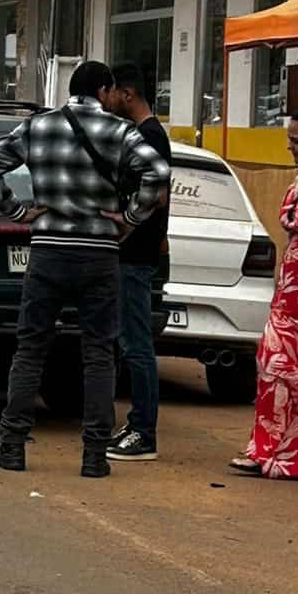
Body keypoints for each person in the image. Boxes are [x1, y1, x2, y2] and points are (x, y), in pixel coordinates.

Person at [0, 61, 170, 478]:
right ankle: (94, 455)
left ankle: (12, 445)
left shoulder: (38, 127)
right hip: (99, 253)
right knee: (99, 353)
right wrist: (130, 218)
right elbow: (158, 173)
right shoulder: (119, 132)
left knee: (30, 349)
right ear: (104, 90)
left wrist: (18, 210)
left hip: (47, 251)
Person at [232, 106, 298, 478]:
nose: (290, 147)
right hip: (290, 292)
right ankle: (263, 450)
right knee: (272, 365)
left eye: (297, 140)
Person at [105, 62, 172, 462]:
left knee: (137, 343)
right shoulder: (141, 134)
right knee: (127, 340)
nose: (107, 100)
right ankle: (135, 424)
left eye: (111, 93)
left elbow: (158, 195)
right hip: (131, 254)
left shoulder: (149, 136)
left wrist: (126, 223)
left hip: (136, 255)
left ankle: (144, 432)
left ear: (126, 94)